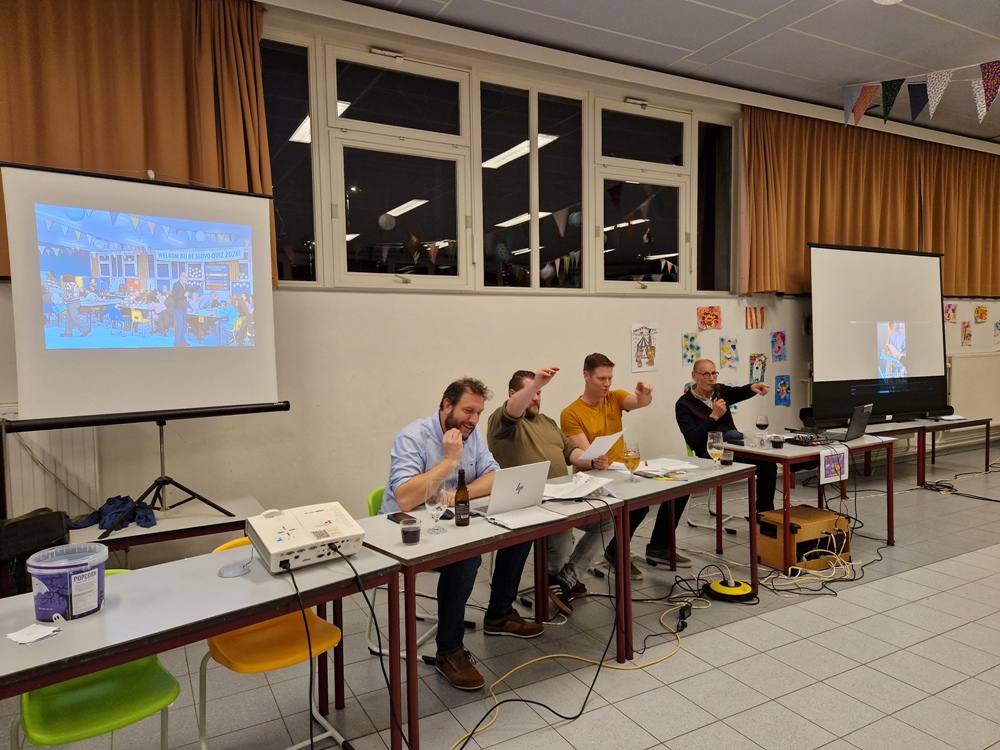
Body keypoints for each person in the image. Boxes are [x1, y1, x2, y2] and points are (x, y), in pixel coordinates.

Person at [383, 378, 543, 691]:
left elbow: (494, 475)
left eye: (479, 413)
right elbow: (405, 499)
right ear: (447, 405)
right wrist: (450, 461)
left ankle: (498, 615)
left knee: (520, 531)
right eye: (468, 411)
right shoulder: (413, 436)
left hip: (450, 518)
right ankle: (449, 652)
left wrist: (455, 495)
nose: (473, 419)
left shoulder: (473, 433)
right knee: (466, 559)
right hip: (408, 530)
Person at [487, 367, 613, 615]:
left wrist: (592, 460)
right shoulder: (502, 421)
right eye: (531, 392)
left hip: (563, 497)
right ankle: (553, 576)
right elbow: (513, 410)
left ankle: (565, 578)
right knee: (561, 540)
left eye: (539, 393)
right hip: (529, 504)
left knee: (608, 520)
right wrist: (535, 385)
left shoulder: (547, 422)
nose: (536, 397)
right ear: (513, 394)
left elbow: (569, 452)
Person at [560, 353, 665, 580]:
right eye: (601, 378)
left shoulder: (614, 397)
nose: (606, 384)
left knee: (642, 505)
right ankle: (615, 553)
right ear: (586, 376)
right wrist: (597, 461)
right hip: (593, 480)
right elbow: (587, 456)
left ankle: (616, 551)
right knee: (626, 510)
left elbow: (639, 402)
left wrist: (644, 395)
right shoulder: (571, 413)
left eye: (610, 378)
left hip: (619, 472)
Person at [675, 359, 777, 513]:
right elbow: (693, 439)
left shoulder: (719, 391)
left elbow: (738, 392)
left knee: (768, 464)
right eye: (706, 375)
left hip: (734, 450)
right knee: (731, 435)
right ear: (694, 376)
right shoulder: (684, 404)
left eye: (714, 374)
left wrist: (753, 387)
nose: (711, 379)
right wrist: (713, 417)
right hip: (710, 454)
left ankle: (764, 515)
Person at [169, 271, 199, 347]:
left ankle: (182, 342)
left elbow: (192, 290)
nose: (185, 278)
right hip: (178, 309)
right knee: (180, 327)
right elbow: (174, 296)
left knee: (184, 326)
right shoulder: (176, 285)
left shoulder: (185, 286)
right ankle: (177, 344)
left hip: (184, 308)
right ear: (180, 277)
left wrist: (199, 286)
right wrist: (184, 295)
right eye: (184, 276)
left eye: (187, 277)